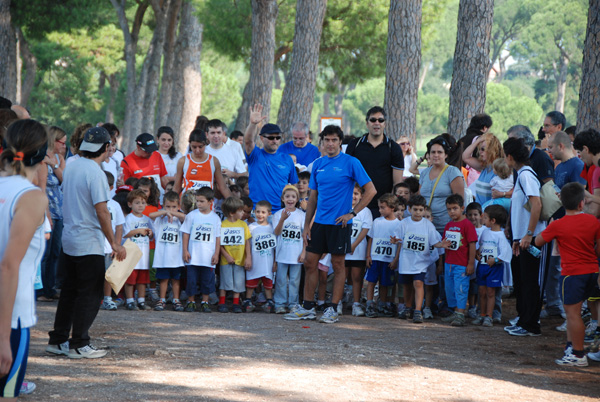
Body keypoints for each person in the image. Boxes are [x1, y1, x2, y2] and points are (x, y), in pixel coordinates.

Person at [47, 126, 126, 359]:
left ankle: (58, 340)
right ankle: (80, 343)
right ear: (105, 148)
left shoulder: (71, 166)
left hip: (69, 239)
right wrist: (114, 242)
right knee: (90, 294)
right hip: (88, 241)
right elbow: (102, 210)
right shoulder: (95, 172)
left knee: (70, 292)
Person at [284, 125, 376, 324]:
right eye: (327, 140)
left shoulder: (351, 162)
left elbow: (371, 190)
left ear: (340, 142)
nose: (330, 144)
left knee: (337, 264)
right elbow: (313, 196)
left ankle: (332, 308)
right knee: (310, 262)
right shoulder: (318, 164)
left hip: (339, 224)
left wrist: (352, 213)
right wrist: (307, 224)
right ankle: (308, 306)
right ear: (322, 142)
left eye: (334, 140)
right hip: (319, 222)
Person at [0, 119, 48, 398]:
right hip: (11, 316)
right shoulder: (31, 197)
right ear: (41, 156)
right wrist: (4, 337)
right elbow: (8, 265)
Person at [534, 182, 600, 366]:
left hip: (571, 273)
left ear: (562, 202)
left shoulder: (559, 225)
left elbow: (538, 241)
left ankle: (578, 354)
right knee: (576, 313)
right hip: (592, 271)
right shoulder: (593, 221)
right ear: (582, 203)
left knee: (573, 315)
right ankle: (571, 347)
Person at [502, 137, 546, 337]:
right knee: (521, 280)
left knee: (529, 281)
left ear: (510, 156)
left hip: (531, 238)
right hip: (522, 238)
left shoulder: (526, 175)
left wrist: (528, 234)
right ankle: (524, 319)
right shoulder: (521, 175)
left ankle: (531, 324)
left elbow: (536, 204)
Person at [392, 195, 445, 323]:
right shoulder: (404, 223)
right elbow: (397, 239)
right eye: (415, 209)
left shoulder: (428, 225)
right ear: (409, 209)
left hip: (421, 262)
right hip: (406, 261)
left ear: (424, 209)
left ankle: (417, 310)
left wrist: (441, 244)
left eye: (421, 210)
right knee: (406, 285)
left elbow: (434, 242)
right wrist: (394, 241)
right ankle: (408, 307)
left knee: (418, 283)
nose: (418, 212)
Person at [345, 106, 404, 218]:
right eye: (373, 120)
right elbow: (347, 175)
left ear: (385, 123)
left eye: (380, 120)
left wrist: (391, 207)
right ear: (367, 123)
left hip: (382, 207)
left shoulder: (394, 148)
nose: (377, 123)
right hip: (356, 205)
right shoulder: (354, 145)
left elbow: (397, 183)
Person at [244, 104, 298, 212]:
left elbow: (294, 186)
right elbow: (248, 141)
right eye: (271, 137)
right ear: (262, 138)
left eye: (278, 137)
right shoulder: (255, 155)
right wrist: (253, 124)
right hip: (258, 212)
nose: (275, 140)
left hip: (281, 212)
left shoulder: (287, 159)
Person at [37, 126, 67, 302]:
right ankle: (40, 289)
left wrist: (54, 165)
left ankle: (50, 287)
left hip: (59, 208)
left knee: (56, 251)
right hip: (46, 206)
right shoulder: (41, 156)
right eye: (61, 142)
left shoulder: (59, 158)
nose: (63, 145)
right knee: (45, 252)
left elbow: (64, 179)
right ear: (53, 140)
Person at [180, 187, 221, 313]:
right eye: (197, 201)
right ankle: (191, 301)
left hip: (208, 257)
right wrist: (185, 250)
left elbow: (217, 237)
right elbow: (185, 233)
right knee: (191, 280)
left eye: (202, 201)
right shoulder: (191, 216)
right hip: (193, 256)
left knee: (207, 280)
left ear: (210, 202)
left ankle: (205, 301)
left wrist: (216, 253)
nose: (199, 204)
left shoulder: (215, 218)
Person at [440, 194, 477, 327]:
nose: (452, 212)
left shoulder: (467, 225)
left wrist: (471, 263)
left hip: (462, 264)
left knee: (461, 288)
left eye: (455, 208)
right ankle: (455, 312)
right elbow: (444, 243)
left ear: (462, 208)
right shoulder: (448, 225)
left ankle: (461, 314)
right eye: (449, 209)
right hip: (449, 263)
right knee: (450, 289)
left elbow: (472, 244)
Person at [472, 205, 512, 327]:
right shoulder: (485, 231)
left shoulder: (501, 236)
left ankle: (489, 316)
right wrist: (477, 252)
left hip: (494, 268)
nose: (483, 220)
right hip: (482, 266)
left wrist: (495, 259)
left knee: (491, 292)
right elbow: (481, 246)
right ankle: (482, 314)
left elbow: (506, 252)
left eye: (485, 218)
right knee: (481, 291)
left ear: (493, 220)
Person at [149, 191, 186, 312]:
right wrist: (165, 212)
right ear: (163, 206)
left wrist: (174, 213)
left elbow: (185, 217)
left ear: (178, 206)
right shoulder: (161, 219)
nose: (171, 209)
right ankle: (162, 299)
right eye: (168, 206)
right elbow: (151, 215)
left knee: (176, 279)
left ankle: (176, 299)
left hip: (176, 256)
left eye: (174, 207)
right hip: (163, 256)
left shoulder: (179, 219)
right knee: (163, 279)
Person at [419, 136, 465, 233]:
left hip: (446, 227)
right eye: (433, 152)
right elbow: (420, 198)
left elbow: (460, 201)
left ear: (446, 155)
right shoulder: (424, 173)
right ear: (429, 154)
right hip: (425, 226)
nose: (436, 155)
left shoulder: (452, 172)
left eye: (439, 152)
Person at [272, 185, 306, 314]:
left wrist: (303, 252)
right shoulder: (277, 214)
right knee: (280, 280)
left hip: (296, 253)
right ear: (283, 198)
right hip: (282, 253)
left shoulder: (301, 215)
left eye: (293, 197)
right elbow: (276, 232)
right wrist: (282, 219)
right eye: (287, 197)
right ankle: (280, 303)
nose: (290, 199)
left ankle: (293, 303)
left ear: (297, 199)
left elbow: (304, 235)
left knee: (294, 281)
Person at [218, 196, 252, 313]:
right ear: (232, 213)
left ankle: (236, 303)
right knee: (225, 281)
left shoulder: (243, 225)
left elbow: (247, 241)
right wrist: (226, 255)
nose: (243, 213)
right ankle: (222, 303)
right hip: (225, 260)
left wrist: (248, 257)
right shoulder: (222, 225)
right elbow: (219, 244)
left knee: (238, 282)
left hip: (240, 259)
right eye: (241, 211)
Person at [173, 129, 230, 198]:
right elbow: (177, 187)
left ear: (205, 144)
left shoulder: (213, 161)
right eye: (194, 147)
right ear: (190, 145)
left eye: (200, 147)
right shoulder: (183, 161)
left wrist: (234, 205)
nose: (197, 150)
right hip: (187, 205)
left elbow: (223, 187)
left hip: (207, 206)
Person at [122, 189, 154, 311]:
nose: (140, 205)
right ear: (130, 204)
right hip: (131, 254)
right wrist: (137, 231)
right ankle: (130, 300)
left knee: (142, 280)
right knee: (130, 279)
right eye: (137, 202)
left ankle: (141, 300)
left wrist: (150, 233)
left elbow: (152, 236)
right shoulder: (128, 218)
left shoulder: (147, 219)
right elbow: (124, 234)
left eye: (143, 202)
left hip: (143, 254)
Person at [346, 183, 373, 317]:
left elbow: (366, 229)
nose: (353, 196)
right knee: (341, 277)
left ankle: (356, 304)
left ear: (361, 196)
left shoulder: (365, 211)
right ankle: (338, 302)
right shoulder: (342, 207)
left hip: (358, 250)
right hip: (342, 250)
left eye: (356, 193)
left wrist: (354, 244)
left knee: (357, 277)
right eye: (351, 193)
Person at [245, 200, 276, 313]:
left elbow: (275, 246)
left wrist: (275, 262)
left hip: (268, 260)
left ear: (269, 214)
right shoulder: (251, 227)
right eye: (258, 212)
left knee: (268, 281)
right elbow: (247, 242)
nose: (260, 214)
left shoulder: (272, 228)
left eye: (263, 212)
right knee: (252, 280)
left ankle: (269, 300)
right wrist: (248, 257)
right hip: (255, 259)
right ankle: (248, 300)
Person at [99, 172, 124, 311]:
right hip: (95, 247)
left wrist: (117, 245)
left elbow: (119, 226)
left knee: (108, 275)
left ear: (111, 187)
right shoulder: (94, 203)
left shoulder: (115, 205)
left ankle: (107, 299)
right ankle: (94, 298)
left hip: (109, 248)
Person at [462, 133, 504, 206]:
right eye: (479, 149)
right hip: (479, 213)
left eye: (483, 149)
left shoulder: (499, 170)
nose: (480, 152)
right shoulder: (485, 167)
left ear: (492, 149)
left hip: (488, 213)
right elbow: (465, 157)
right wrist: (478, 141)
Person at [156, 126, 183, 196]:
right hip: (158, 194)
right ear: (157, 139)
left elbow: (183, 177)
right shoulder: (153, 155)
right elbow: (155, 177)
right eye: (163, 140)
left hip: (175, 195)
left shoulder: (178, 156)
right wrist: (174, 178)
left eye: (169, 140)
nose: (166, 143)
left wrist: (165, 178)